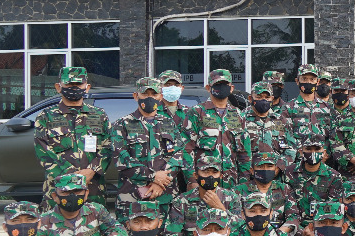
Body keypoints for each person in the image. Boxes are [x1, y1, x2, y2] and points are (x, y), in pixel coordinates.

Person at [107, 76, 188, 221]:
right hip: (132, 197)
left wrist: (161, 181)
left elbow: (178, 153)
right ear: (135, 96)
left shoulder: (169, 123)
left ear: (160, 97)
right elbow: (120, 157)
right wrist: (154, 176)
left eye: (154, 94)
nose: (149, 98)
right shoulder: (122, 124)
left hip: (165, 194)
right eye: (145, 94)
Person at [34, 65, 110, 204]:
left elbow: (108, 147)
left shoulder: (100, 115)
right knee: (56, 224)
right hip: (58, 189)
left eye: (78, 84)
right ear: (58, 87)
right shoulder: (46, 117)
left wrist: (91, 171)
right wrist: (71, 175)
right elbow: (42, 150)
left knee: (92, 223)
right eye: (69, 83)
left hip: (92, 188)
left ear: (87, 87)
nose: (74, 87)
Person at [37, 173, 125, 236]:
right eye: (66, 192)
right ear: (55, 196)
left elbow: (121, 233)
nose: (72, 196)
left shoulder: (96, 211)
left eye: (77, 191)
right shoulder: (44, 221)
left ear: (86, 194)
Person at [187, 68, 249, 179]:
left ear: (231, 88)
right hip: (205, 181)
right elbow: (187, 149)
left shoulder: (238, 115)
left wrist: (245, 181)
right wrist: (192, 180)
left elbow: (244, 152)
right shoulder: (197, 112)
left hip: (231, 182)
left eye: (225, 84)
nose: (221, 87)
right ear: (208, 88)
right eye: (217, 84)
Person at [173, 156, 244, 236]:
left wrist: (220, 208)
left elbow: (240, 230)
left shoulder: (231, 198)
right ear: (196, 176)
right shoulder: (182, 201)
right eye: (206, 172)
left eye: (215, 172)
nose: (210, 176)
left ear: (221, 176)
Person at [242, 80, 298, 182]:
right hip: (249, 178)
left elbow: (291, 148)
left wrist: (279, 167)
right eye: (259, 97)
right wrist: (249, 168)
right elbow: (235, 149)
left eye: (267, 97)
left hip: (276, 178)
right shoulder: (241, 119)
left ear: (272, 99)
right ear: (250, 98)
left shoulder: (281, 120)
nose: (263, 100)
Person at [290, 136, 344, 236]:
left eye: (317, 149)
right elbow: (286, 205)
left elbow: (332, 209)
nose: (313, 153)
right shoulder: (289, 172)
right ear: (301, 152)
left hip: (321, 229)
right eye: (309, 149)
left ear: (323, 152)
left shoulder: (333, 176)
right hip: (293, 227)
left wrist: (315, 230)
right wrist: (300, 230)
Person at [237, 151, 298, 236]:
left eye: (269, 166)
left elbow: (293, 216)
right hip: (248, 234)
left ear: (275, 169)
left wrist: (280, 233)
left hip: (279, 233)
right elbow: (235, 217)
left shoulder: (284, 189)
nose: (265, 170)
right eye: (260, 166)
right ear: (252, 170)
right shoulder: (239, 191)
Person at [282, 63, 332, 145]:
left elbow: (333, 135)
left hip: (323, 155)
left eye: (312, 79)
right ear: (297, 81)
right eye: (304, 79)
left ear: (318, 82)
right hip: (299, 156)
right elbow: (285, 135)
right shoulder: (288, 108)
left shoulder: (327, 108)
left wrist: (326, 152)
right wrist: (299, 152)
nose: (308, 82)